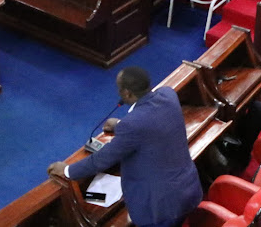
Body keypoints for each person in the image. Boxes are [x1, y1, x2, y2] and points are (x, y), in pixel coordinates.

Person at [47, 66, 202, 227]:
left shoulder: (133, 125)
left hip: (161, 208)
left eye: (119, 89)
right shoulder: (168, 94)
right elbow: (155, 121)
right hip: (188, 190)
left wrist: (67, 170)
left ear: (127, 93)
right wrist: (121, 125)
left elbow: (101, 160)